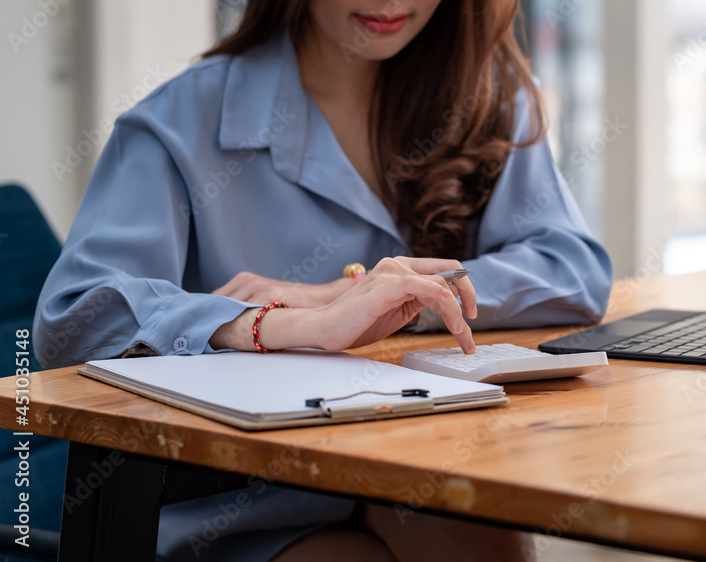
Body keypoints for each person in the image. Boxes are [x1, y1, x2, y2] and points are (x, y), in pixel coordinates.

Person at [33, 0, 612, 559]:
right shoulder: (179, 121)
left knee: (481, 536)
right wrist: (275, 325)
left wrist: (380, 299)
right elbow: (76, 316)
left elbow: (572, 269)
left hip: (422, 453)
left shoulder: (485, 92)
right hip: (244, 498)